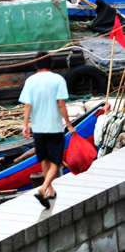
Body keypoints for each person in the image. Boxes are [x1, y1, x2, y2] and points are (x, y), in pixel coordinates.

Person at [20, 52, 76, 209]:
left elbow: (27, 105)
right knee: (56, 162)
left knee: (44, 159)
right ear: (51, 64)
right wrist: (69, 124)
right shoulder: (58, 79)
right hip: (54, 127)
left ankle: (50, 191)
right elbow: (61, 104)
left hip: (38, 128)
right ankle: (43, 188)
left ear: (36, 65)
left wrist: (25, 126)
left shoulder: (30, 81)